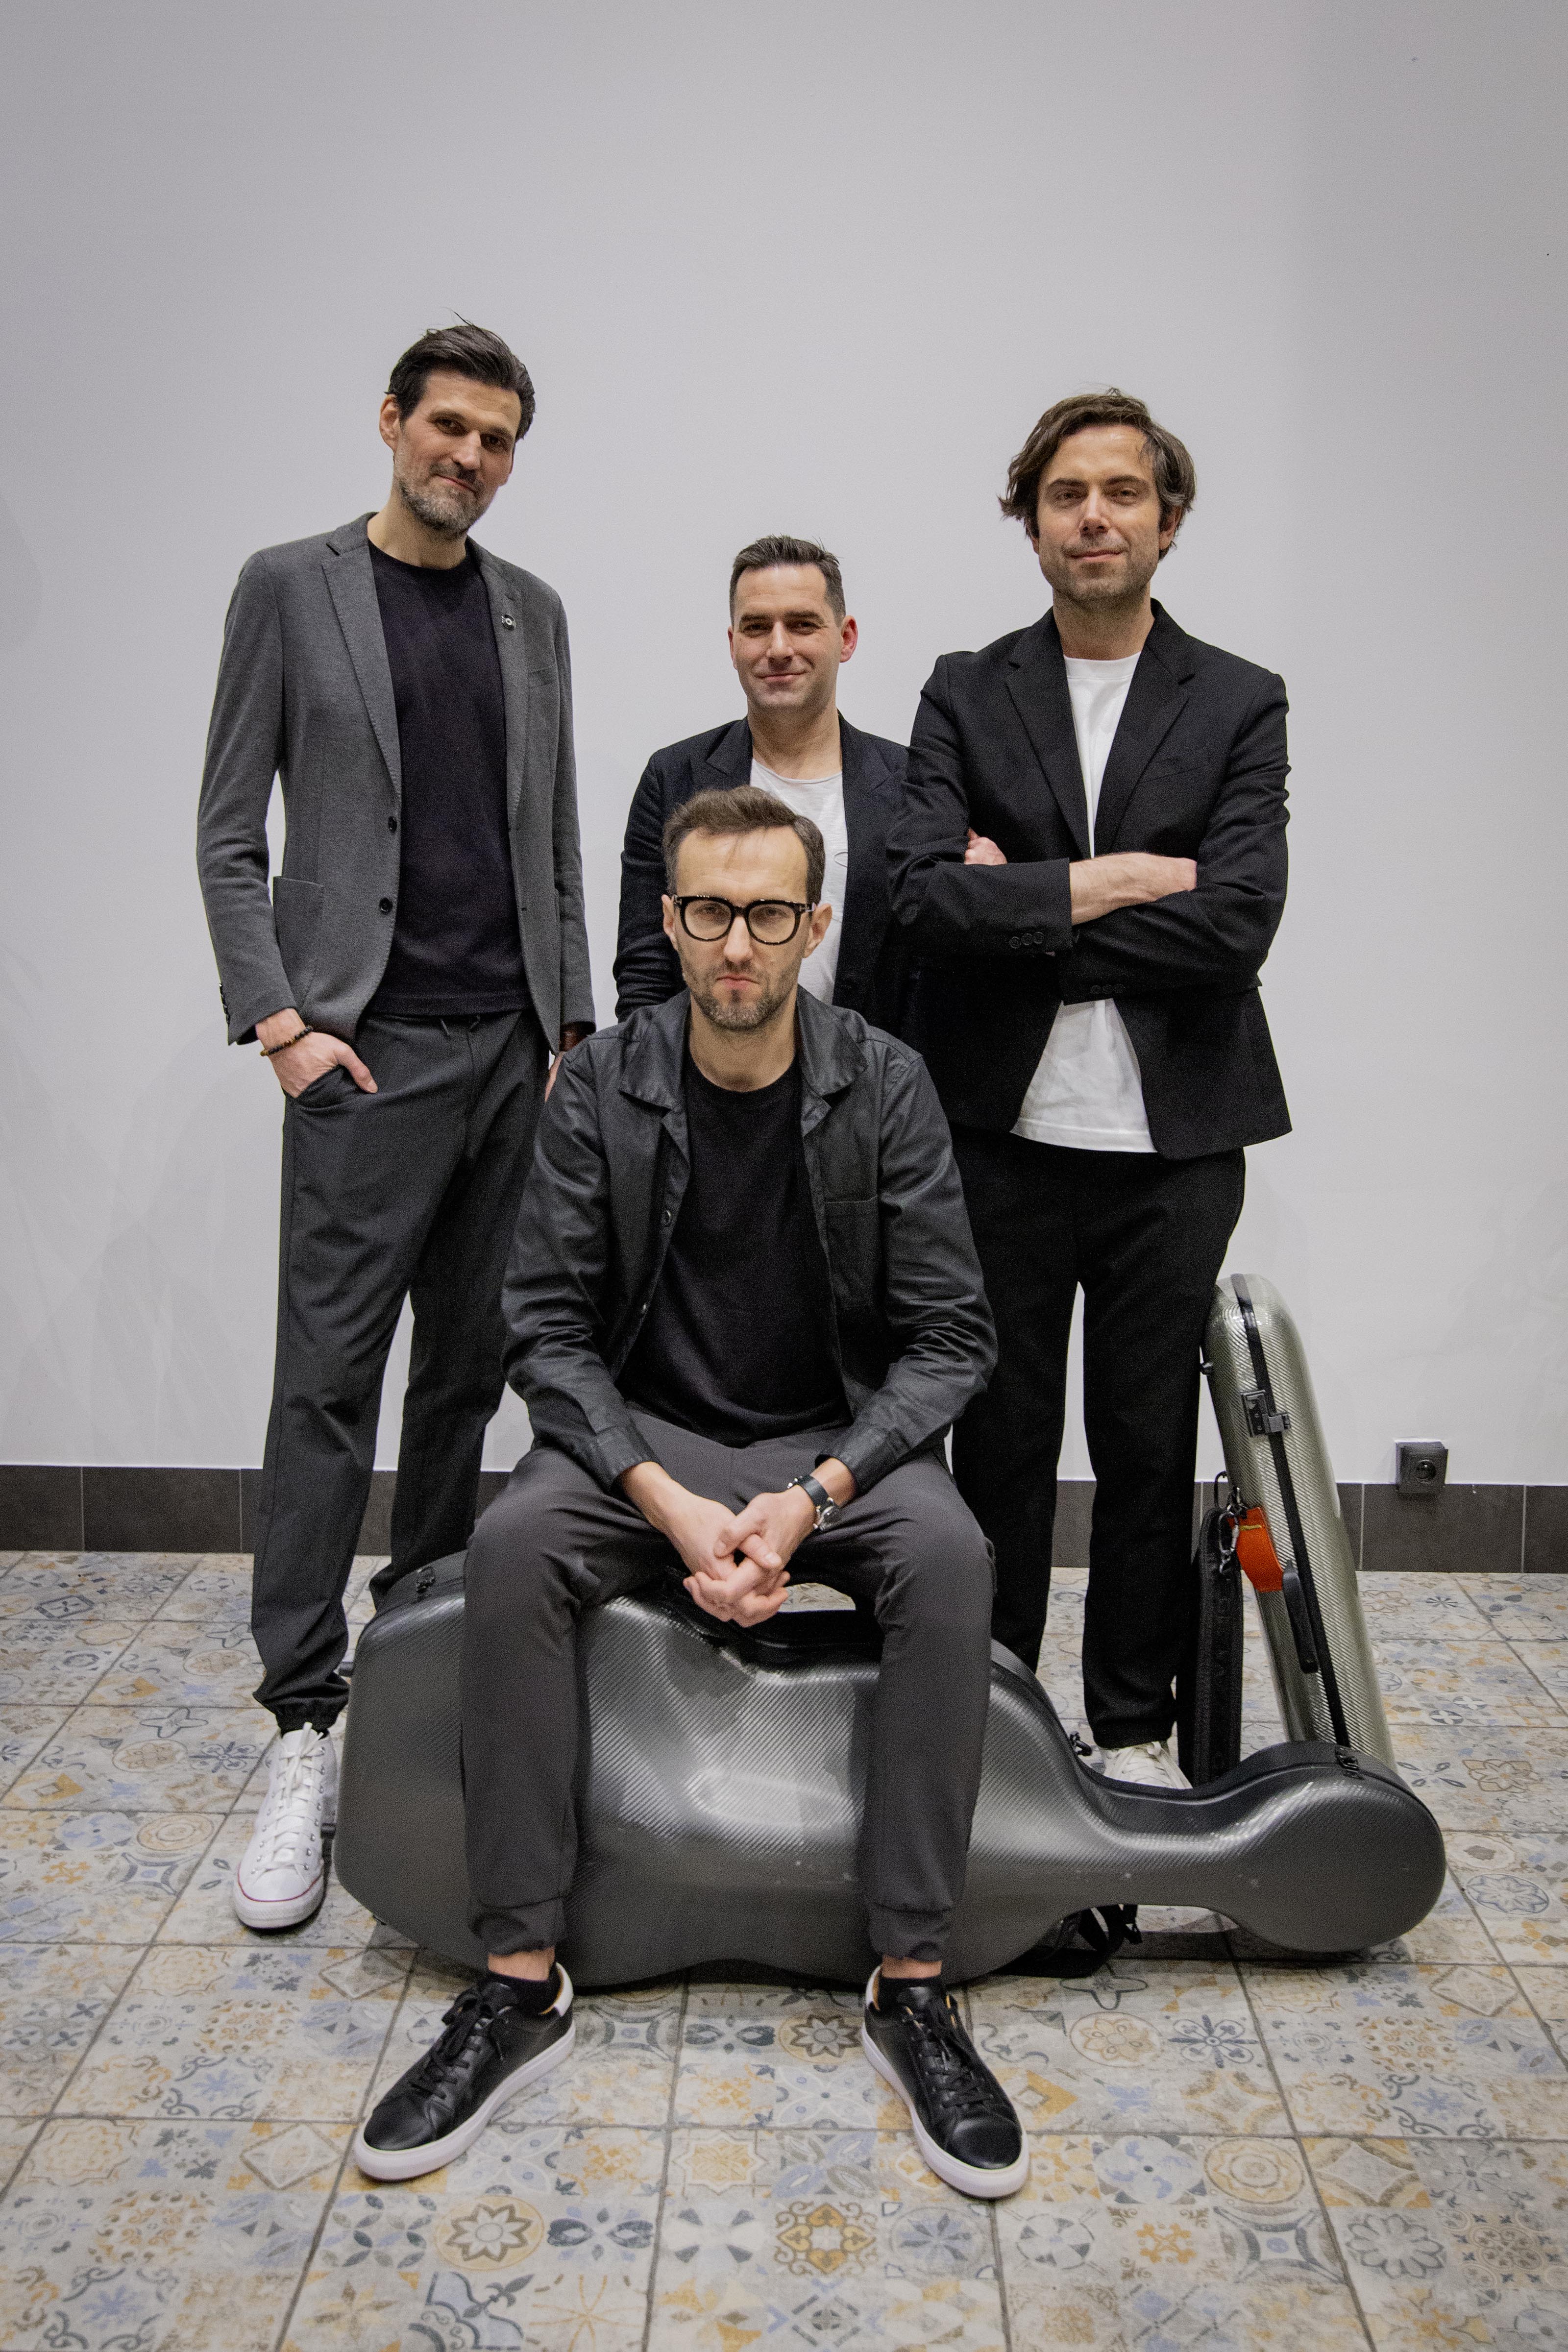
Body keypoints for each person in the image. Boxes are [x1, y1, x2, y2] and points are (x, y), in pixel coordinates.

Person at [352, 784, 1027, 2202]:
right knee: (517, 1541)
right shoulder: (607, 1084)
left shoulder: (885, 1083)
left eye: (768, 914)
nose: (736, 945)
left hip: (830, 1441)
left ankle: (912, 1981)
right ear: (669, 920)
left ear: (814, 927)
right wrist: (662, 1498)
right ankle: (518, 1976)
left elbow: (953, 1337)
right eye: (710, 911)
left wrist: (816, 1494)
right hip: (646, 1438)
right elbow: (544, 1328)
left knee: (950, 1557)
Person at [196, 323, 594, 1930]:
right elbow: (228, 834)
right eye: (450, 428)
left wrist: (569, 1033)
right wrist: (281, 1025)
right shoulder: (290, 589)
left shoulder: (532, 611)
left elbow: (553, 835)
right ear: (391, 422)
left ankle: (416, 1668)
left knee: (467, 1380)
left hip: (512, 1057)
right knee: (326, 1386)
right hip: (365, 1055)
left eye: (497, 440)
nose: (471, 459)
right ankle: (303, 1724)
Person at [887, 388, 1290, 1790]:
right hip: (997, 1138)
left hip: (1174, 1149)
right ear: (1033, 522)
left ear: (1168, 522)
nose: (1096, 517)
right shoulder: (966, 687)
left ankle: (1130, 1731)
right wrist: (1118, 883)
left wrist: (1030, 906)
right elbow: (922, 903)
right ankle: (994, 1718)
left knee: (1143, 1447)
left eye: (1124, 493)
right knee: (996, 1443)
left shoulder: (1237, 697)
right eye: (1068, 495)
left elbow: (1236, 925)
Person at [613, 535, 913, 1032]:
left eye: (802, 625)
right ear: (733, 645)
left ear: (846, 638)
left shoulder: (911, 784)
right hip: (702, 1072)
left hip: (868, 1073)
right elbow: (645, 968)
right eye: (756, 628)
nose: (778, 649)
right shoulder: (674, 778)